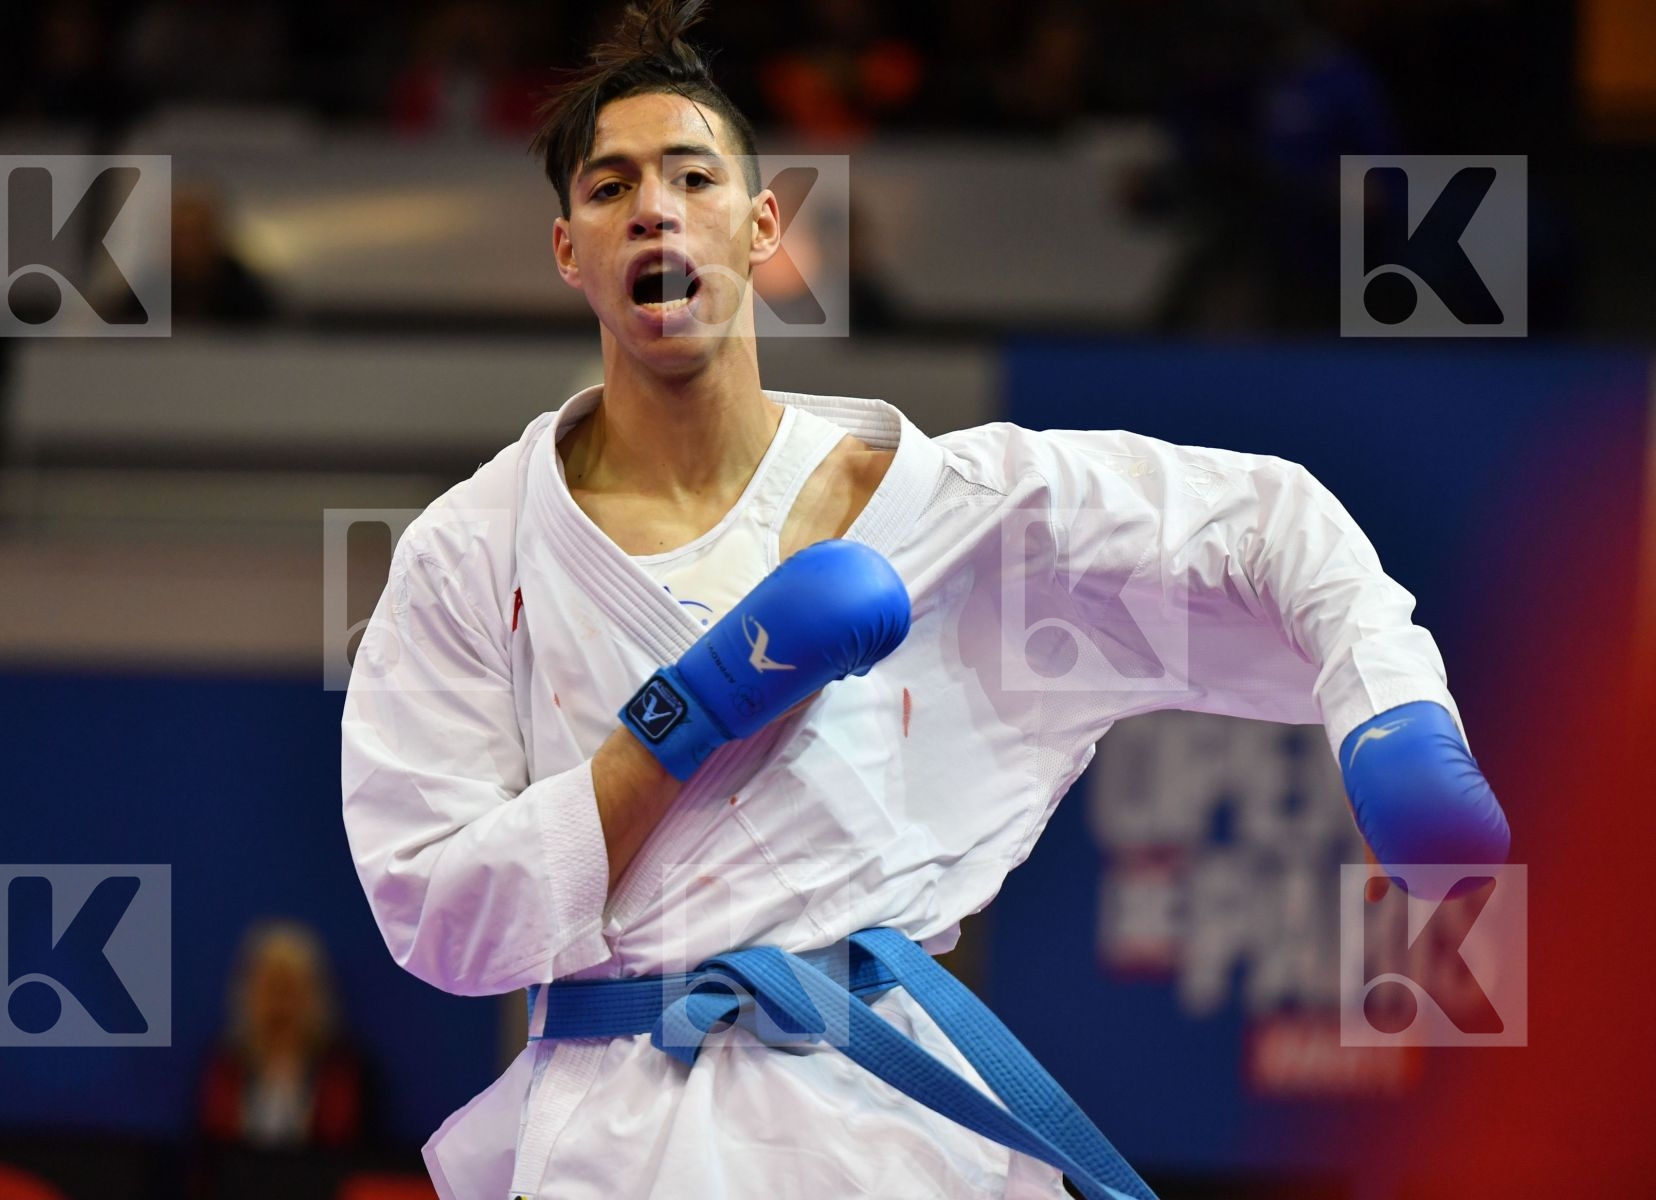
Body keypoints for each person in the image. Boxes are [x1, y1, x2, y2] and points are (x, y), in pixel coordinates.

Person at [340, 2, 1510, 1197]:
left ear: (761, 225)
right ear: (567, 250)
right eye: (609, 187)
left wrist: (1392, 713)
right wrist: (684, 716)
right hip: (619, 1144)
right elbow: (434, 914)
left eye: (692, 175)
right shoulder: (474, 551)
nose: (653, 206)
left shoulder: (930, 508)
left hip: (888, 1125)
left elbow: (1260, 525)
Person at [197, 919, 366, 1150]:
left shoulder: (341, 1072)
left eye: (289, 989)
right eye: (270, 987)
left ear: (315, 997)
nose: (279, 1003)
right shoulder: (225, 1068)